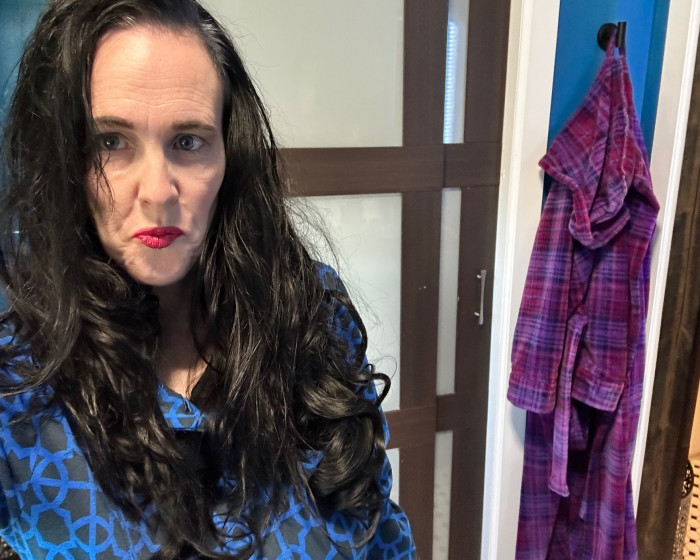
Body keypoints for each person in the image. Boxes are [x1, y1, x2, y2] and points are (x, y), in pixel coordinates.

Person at [0, 0, 415, 558]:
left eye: (188, 141)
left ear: (228, 154)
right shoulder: (18, 390)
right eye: (111, 142)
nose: (157, 192)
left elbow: (379, 528)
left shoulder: (313, 314)